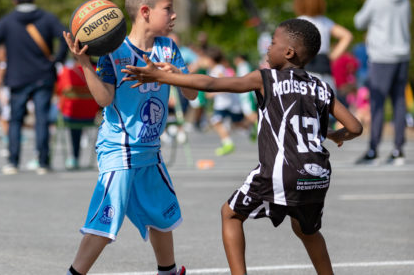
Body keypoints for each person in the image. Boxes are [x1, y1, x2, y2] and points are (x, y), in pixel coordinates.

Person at [122, 18, 363, 275]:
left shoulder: (266, 78)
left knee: (230, 214)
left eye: (272, 43)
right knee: (308, 231)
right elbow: (356, 127)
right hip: (317, 175)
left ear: (289, 52)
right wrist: (337, 135)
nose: (267, 48)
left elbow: (212, 84)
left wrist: (161, 76)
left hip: (281, 172)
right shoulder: (321, 87)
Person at [62, 0, 197, 275]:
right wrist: (84, 63)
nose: (174, 15)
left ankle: (169, 271)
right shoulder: (113, 52)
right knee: (105, 220)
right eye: (168, 9)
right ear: (146, 12)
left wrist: (176, 76)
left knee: (160, 215)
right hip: (119, 149)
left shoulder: (168, 48)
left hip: (150, 151)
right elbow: (104, 99)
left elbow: (192, 94)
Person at [0, 0, 68, 175]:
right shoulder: (47, 18)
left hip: (18, 77)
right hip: (43, 75)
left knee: (15, 120)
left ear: (15, 1)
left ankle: (13, 162)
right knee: (41, 119)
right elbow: (66, 37)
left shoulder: (7, 21)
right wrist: (58, 59)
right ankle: (43, 162)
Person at [354, 0, 411, 165]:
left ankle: (373, 149)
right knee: (399, 102)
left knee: (377, 102)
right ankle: (398, 150)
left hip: (381, 57)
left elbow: (359, 22)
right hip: (402, 55)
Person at [293, 0, 353, 91]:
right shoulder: (325, 22)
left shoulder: (298, 21)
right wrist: (332, 56)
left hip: (305, 66)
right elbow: (347, 36)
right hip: (324, 65)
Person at [56, 59, 100, 169]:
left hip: (71, 114)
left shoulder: (67, 71)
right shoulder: (96, 71)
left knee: (70, 117)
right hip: (91, 115)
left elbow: (60, 91)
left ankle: (74, 157)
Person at [204, 47, 244, 156]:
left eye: (205, 59)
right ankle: (251, 129)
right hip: (223, 102)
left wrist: (212, 93)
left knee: (216, 122)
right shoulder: (213, 69)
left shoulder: (219, 69)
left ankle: (228, 143)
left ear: (211, 59)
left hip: (226, 101)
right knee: (237, 124)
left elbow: (225, 85)